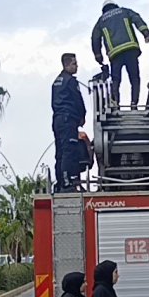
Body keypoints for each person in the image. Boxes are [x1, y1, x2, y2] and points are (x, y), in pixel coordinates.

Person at [91, 0, 149, 107]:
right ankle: (134, 102)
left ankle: (116, 103)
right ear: (115, 5)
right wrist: (145, 33)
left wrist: (98, 56)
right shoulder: (124, 11)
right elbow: (137, 18)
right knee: (134, 77)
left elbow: (95, 38)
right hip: (130, 49)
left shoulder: (101, 21)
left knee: (116, 79)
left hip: (115, 53)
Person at [52, 53, 87, 193]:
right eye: (74, 63)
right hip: (68, 120)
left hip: (57, 120)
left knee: (60, 151)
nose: (76, 66)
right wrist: (82, 115)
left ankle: (60, 181)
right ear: (66, 65)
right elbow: (77, 100)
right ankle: (68, 182)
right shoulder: (70, 81)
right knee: (69, 151)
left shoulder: (56, 82)